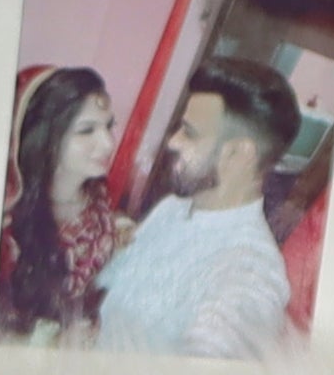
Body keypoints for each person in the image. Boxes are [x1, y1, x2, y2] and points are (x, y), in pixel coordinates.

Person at [95, 65, 305, 359]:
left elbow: (205, 370)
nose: (173, 141)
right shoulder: (171, 209)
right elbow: (110, 290)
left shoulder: (250, 270)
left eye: (189, 133)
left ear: (238, 154)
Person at [0, 63, 123, 342]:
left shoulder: (100, 200)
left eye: (109, 127)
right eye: (86, 130)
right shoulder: (6, 227)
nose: (107, 143)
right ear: (46, 136)